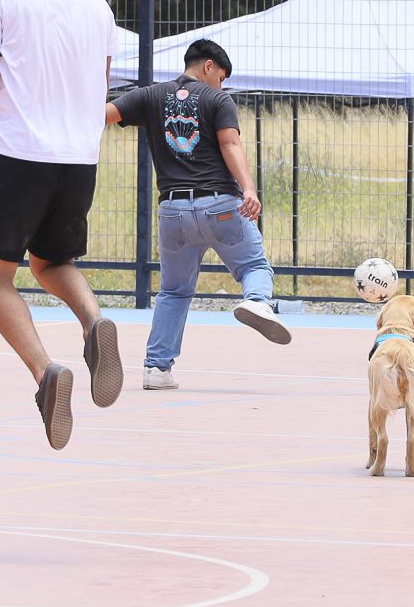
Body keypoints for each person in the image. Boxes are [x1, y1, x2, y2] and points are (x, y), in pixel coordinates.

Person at [0, 0, 122, 451]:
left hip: (20, 154)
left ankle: (45, 371)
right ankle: (94, 321)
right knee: (51, 261)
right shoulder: (93, 0)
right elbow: (102, 80)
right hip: (80, 157)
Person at [105, 39, 291, 390]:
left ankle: (156, 369)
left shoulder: (150, 95)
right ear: (208, 66)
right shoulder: (217, 99)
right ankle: (257, 302)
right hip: (219, 205)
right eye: (220, 76)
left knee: (174, 292)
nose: (221, 84)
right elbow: (230, 143)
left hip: (172, 210)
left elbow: (103, 115)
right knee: (253, 267)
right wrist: (249, 188)